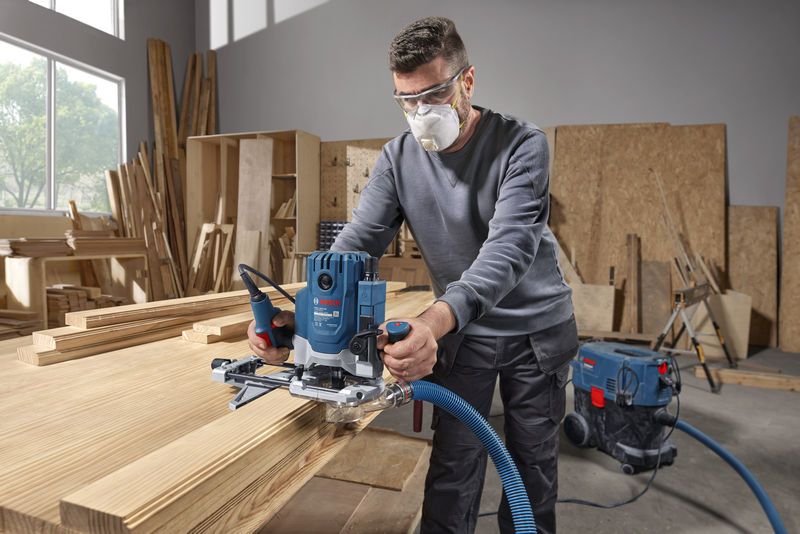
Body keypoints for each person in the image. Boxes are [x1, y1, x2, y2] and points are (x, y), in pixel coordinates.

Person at [248, 16, 577, 534]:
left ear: (467, 81)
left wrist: (434, 319)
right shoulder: (398, 159)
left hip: (535, 332)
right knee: (453, 469)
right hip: (466, 333)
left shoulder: (521, 144)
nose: (421, 112)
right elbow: (358, 244)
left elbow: (508, 250)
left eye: (435, 94)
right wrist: (307, 313)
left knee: (531, 471)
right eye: (407, 100)